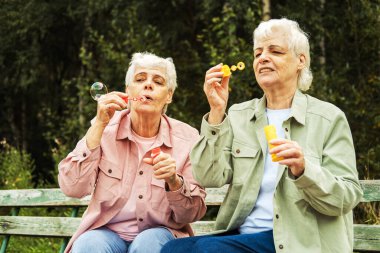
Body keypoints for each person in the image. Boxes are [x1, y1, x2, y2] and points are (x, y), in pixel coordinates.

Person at [161, 18, 363, 253]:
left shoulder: (328, 118)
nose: (263, 58)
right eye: (258, 53)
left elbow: (347, 196)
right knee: (173, 250)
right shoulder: (239, 115)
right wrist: (216, 112)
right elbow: (209, 177)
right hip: (245, 236)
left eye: (275, 51)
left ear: (301, 60)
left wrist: (304, 169)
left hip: (299, 242)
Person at [58, 52, 207, 253]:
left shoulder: (188, 138)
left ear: (169, 96)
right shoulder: (104, 129)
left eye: (158, 81)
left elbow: (191, 213)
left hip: (160, 234)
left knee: (148, 243)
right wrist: (99, 125)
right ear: (128, 91)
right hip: (105, 234)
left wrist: (174, 181)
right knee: (88, 245)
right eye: (140, 79)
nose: (148, 85)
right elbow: (72, 188)